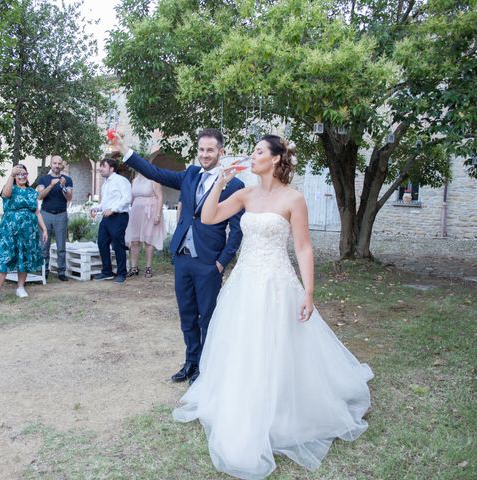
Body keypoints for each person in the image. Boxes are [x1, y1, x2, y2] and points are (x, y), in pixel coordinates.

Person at [172, 135, 373, 479]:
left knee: (277, 346)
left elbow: (304, 248)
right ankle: (243, 402)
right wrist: (219, 184)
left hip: (277, 284)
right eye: (253, 151)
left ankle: (281, 409)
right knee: (243, 345)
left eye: (259, 152)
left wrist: (309, 292)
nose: (253, 156)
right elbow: (209, 218)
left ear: (277, 159)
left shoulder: (293, 199)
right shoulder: (246, 193)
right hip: (245, 283)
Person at [111, 128, 244, 384]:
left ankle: (206, 367)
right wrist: (125, 151)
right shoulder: (190, 175)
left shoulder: (235, 185)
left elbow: (237, 230)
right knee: (186, 314)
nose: (205, 155)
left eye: (210, 150)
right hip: (183, 258)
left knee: (208, 316)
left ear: (221, 152)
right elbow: (155, 173)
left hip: (209, 261)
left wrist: (220, 263)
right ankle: (190, 363)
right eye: (201, 150)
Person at [0, 164, 47, 304]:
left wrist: (44, 229)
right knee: (5, 256)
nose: (21, 176)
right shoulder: (9, 188)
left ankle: (20, 287)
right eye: (18, 174)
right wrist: (10, 175)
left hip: (29, 231)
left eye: (24, 173)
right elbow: (7, 194)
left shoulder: (32, 192)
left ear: (28, 175)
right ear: (15, 176)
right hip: (10, 230)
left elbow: (37, 212)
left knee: (25, 257)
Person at [92, 157, 132, 284]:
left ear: (112, 168)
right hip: (106, 218)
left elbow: (127, 198)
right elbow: (104, 202)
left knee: (118, 245)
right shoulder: (105, 184)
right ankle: (107, 272)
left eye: (103, 166)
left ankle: (121, 273)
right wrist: (96, 208)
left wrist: (113, 209)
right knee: (102, 243)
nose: (100, 169)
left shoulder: (121, 181)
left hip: (119, 216)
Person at [36, 155, 73, 281]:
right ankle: (44, 271)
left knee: (61, 245)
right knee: (44, 245)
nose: (56, 166)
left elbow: (69, 198)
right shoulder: (44, 179)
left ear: (62, 165)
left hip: (61, 214)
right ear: (51, 164)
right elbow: (40, 196)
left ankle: (61, 271)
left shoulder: (67, 179)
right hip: (45, 214)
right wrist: (51, 185)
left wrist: (63, 186)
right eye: (54, 163)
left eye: (59, 163)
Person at [124, 172, 165, 278]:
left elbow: (160, 197)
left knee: (148, 240)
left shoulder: (153, 178)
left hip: (150, 211)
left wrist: (158, 214)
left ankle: (148, 268)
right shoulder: (134, 180)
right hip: (136, 212)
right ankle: (134, 268)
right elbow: (132, 198)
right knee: (134, 240)